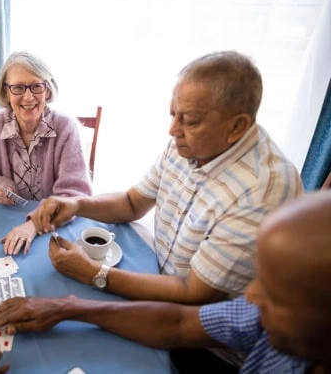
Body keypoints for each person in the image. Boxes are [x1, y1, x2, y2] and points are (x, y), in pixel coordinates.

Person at [30, 51, 302, 305]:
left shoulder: (262, 191)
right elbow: (132, 203)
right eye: (173, 114)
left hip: (206, 338)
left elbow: (193, 292)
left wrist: (93, 273)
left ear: (237, 126)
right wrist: (77, 204)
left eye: (189, 120)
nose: (173, 130)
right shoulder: (193, 143)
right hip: (160, 283)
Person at [0, 191, 331, 373]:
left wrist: (93, 275)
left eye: (275, 293)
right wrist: (67, 307)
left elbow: (192, 298)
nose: (250, 294)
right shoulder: (264, 318)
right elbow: (181, 323)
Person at [0, 51, 92, 255]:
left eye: (36, 86)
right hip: (5, 220)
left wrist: (34, 225)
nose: (28, 97)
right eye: (18, 87)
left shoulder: (66, 127)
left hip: (54, 227)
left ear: (48, 90)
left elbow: (76, 196)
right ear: (6, 92)